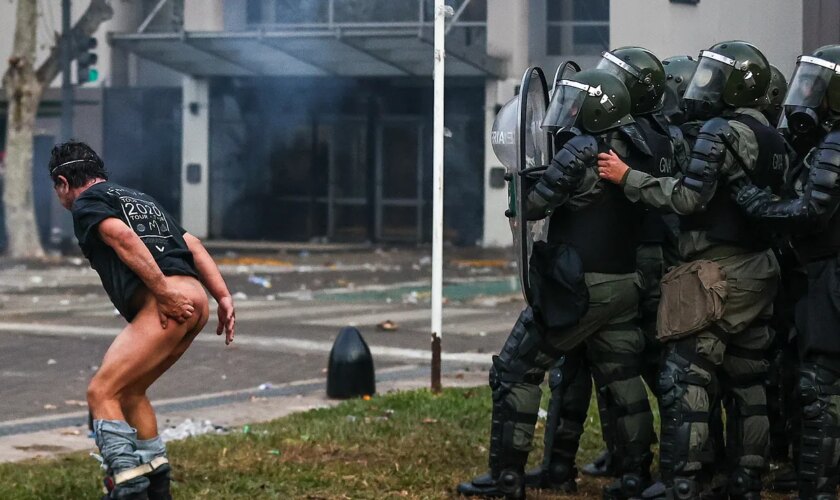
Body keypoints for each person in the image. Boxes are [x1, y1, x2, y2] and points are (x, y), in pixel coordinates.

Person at [597, 41, 787, 499]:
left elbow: (686, 198)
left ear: (737, 86)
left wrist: (628, 177)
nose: (704, 86)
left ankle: (681, 481)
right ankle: (746, 477)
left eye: (715, 77)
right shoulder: (774, 138)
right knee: (748, 376)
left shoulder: (719, 131)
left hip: (719, 272)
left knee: (685, 373)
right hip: (761, 269)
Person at [457, 68, 654, 500]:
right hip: (624, 282)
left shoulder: (581, 148)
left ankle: (506, 478)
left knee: (515, 369)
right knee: (622, 379)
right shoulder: (640, 144)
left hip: (580, 286)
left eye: (574, 104)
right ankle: (637, 476)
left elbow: (535, 204)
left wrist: (523, 178)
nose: (565, 112)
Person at [528, 47, 686, 490]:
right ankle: (632, 464)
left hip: (634, 259)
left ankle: (661, 468)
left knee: (643, 369)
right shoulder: (661, 132)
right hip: (633, 259)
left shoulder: (630, 136)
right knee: (613, 369)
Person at [49, 141, 236, 500]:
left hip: (166, 303)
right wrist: (223, 297)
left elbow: (120, 236)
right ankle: (156, 483)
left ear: (62, 182)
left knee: (101, 392)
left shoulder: (87, 202)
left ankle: (127, 483)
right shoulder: (138, 198)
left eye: (58, 190)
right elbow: (191, 243)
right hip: (195, 298)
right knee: (131, 392)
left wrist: (164, 292)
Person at [735, 44, 840, 500]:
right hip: (821, 272)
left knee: (820, 386)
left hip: (830, 274)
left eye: (817, 86)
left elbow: (811, 211)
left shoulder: (836, 142)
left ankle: (817, 488)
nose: (806, 97)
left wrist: (757, 204)